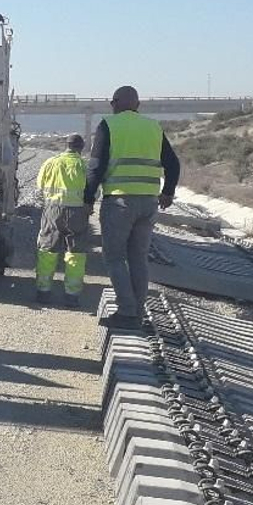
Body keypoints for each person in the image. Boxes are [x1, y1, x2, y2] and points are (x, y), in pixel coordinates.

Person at [83, 85, 181, 330]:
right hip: (148, 203)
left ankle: (126, 312)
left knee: (115, 257)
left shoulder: (108, 125)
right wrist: (168, 192)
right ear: (138, 105)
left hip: (119, 202)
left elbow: (96, 166)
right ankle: (136, 313)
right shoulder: (153, 127)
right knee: (138, 259)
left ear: (114, 103)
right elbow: (173, 163)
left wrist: (87, 199)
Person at [35, 134, 89, 306]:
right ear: (81, 148)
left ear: (65, 146)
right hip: (77, 212)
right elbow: (94, 191)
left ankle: (43, 291)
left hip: (52, 210)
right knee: (75, 252)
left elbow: (39, 188)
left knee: (47, 249)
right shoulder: (83, 165)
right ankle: (72, 295)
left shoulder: (50, 162)